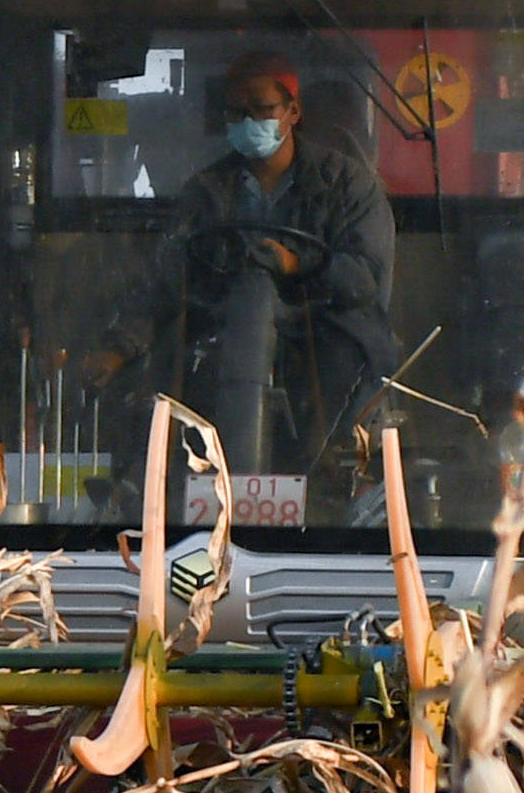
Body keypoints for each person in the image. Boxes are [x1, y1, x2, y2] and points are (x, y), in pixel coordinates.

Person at [155, 52, 394, 485]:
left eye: (262, 110)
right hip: (227, 325)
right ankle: (182, 486)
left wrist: (299, 264)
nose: (249, 121)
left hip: (324, 328)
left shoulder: (348, 184)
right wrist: (123, 343)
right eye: (236, 112)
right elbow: (170, 276)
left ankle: (321, 485)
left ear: (293, 112)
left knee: (340, 368)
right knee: (172, 367)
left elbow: (366, 278)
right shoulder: (206, 191)